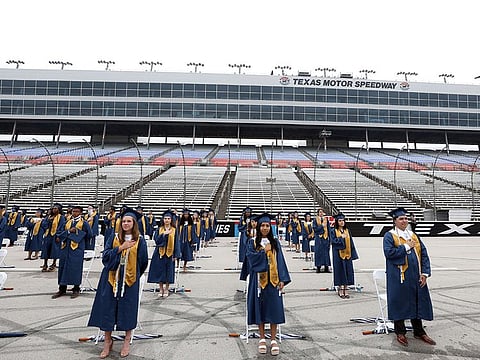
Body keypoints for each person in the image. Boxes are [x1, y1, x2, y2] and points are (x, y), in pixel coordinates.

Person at [88, 207, 148, 358]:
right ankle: (107, 341)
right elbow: (105, 257)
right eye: (124, 221)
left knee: (128, 309)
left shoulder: (140, 240)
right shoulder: (114, 237)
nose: (126, 224)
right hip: (110, 278)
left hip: (130, 281)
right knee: (108, 308)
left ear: (134, 223)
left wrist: (131, 275)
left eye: (129, 221)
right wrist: (121, 248)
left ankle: (127, 340)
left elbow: (143, 261)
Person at [383, 207, 435, 347]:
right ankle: (400, 332)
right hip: (399, 276)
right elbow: (389, 253)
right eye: (401, 219)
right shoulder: (390, 235)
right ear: (395, 221)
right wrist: (406, 247)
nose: (404, 220)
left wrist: (424, 273)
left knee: (416, 300)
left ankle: (419, 330)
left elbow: (423, 253)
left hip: (416, 275)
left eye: (406, 218)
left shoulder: (413, 235)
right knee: (399, 302)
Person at [245, 213, 291, 356]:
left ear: (270, 227)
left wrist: (283, 279)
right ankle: (262, 338)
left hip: (273, 281)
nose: (265, 228)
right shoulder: (252, 242)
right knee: (260, 308)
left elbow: (281, 261)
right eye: (262, 226)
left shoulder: (275, 242)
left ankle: (273, 339)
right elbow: (251, 260)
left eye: (267, 226)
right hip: (258, 281)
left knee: (274, 308)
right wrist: (263, 253)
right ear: (258, 227)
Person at [52, 205, 93, 299]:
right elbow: (59, 234)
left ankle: (76, 288)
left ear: (81, 213)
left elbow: (89, 235)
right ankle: (62, 288)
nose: (75, 213)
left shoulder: (84, 223)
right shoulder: (67, 222)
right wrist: (69, 232)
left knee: (75, 268)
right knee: (63, 267)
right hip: (65, 248)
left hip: (77, 249)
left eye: (77, 211)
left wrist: (78, 233)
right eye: (73, 211)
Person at [148, 211, 179, 298]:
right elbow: (156, 241)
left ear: (171, 220)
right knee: (160, 271)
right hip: (159, 253)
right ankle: (161, 288)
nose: (167, 220)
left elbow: (177, 243)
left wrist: (176, 255)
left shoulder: (174, 230)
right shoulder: (159, 229)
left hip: (170, 254)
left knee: (168, 272)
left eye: (168, 218)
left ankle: (167, 288)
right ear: (163, 219)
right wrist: (163, 235)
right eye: (165, 218)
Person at [330, 213, 359, 299]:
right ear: (336, 222)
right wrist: (341, 238)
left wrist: (353, 254)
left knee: (347, 270)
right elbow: (333, 241)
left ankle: (346, 288)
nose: (342, 222)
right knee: (340, 271)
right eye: (340, 221)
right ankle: (340, 288)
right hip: (338, 254)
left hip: (348, 254)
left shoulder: (347, 231)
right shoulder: (333, 231)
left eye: (343, 220)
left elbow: (351, 243)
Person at [41, 203, 66, 272]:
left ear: (59, 210)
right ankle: (45, 264)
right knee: (46, 250)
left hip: (55, 236)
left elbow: (62, 227)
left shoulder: (61, 217)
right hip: (48, 235)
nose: (54, 210)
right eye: (53, 208)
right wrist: (49, 221)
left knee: (55, 250)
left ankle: (53, 264)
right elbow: (43, 225)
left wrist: (59, 236)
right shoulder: (48, 217)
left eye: (56, 208)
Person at [313, 208, 331, 273]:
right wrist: (321, 226)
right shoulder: (315, 220)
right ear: (318, 213)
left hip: (325, 238)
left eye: (322, 212)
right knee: (318, 253)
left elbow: (329, 229)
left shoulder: (326, 220)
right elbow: (315, 229)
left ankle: (326, 267)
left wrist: (330, 239)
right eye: (320, 212)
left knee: (326, 253)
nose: (321, 213)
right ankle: (318, 267)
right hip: (318, 238)